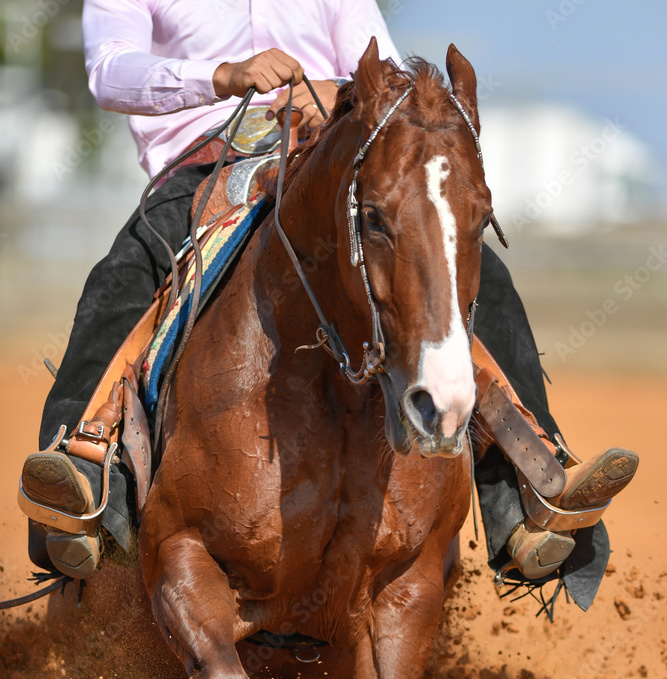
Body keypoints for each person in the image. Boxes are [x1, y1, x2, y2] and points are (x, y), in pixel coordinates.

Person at [20, 0, 637, 608]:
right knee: (125, 274)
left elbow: (392, 75)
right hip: (206, 163)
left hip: (329, 154)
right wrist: (221, 77)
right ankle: (81, 466)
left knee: (469, 267)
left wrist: (338, 90)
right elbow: (110, 69)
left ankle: (532, 487)